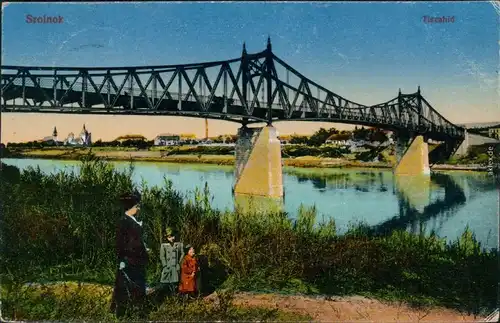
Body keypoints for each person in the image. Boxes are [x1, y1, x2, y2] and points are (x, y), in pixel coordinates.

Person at [110, 191, 149, 319]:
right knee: (126, 287)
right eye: (137, 206)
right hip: (128, 260)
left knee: (137, 286)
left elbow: (137, 241)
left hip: (136, 259)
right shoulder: (124, 222)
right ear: (131, 208)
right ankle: (123, 313)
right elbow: (120, 243)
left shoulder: (134, 221)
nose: (138, 209)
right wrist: (121, 259)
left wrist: (144, 248)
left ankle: (137, 311)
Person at [159, 227, 184, 296]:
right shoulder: (164, 245)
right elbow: (162, 256)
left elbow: (182, 253)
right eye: (169, 237)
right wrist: (165, 265)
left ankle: (174, 296)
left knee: (175, 281)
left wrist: (179, 262)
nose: (172, 238)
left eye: (172, 236)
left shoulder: (179, 244)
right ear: (167, 237)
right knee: (165, 281)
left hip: (176, 266)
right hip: (167, 266)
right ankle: (164, 295)